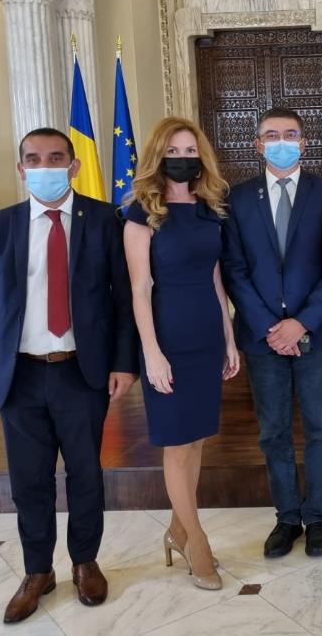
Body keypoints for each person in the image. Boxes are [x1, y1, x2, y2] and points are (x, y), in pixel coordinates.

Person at [0, 128, 137, 623]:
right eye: (34, 159)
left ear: (73, 166)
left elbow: (122, 299)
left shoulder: (105, 220)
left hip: (80, 371)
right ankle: (37, 571)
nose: (45, 167)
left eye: (56, 158)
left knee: (86, 475)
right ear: (21, 169)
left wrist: (124, 362)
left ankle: (85, 562)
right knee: (29, 481)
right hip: (19, 375)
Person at [222, 107, 322, 560]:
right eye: (272, 135)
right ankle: (287, 518)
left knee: (321, 428)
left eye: (290, 134)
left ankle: (317, 518)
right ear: (258, 145)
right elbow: (235, 270)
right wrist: (270, 327)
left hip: (316, 330)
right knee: (273, 431)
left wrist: (301, 323)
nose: (281, 142)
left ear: (304, 142)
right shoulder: (237, 199)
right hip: (262, 337)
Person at [123, 117, 239, 590]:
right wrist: (151, 352)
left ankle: (177, 529)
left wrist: (229, 338)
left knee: (196, 440)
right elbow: (139, 288)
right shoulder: (141, 212)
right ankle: (197, 541)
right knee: (176, 442)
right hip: (167, 336)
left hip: (206, 334)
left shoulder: (210, 207)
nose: (183, 158)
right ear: (158, 154)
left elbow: (215, 278)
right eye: (174, 150)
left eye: (191, 150)